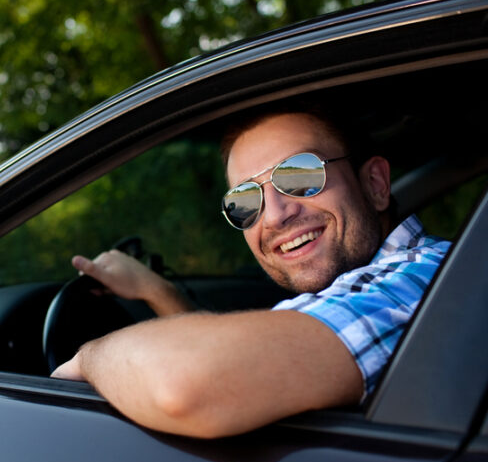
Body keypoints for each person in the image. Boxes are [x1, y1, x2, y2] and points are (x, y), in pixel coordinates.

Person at [51, 108, 450, 438]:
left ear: (376, 184)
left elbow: (189, 384)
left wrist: (88, 357)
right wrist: (157, 291)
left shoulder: (425, 281)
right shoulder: (400, 284)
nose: (275, 215)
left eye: (300, 176)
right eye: (245, 200)